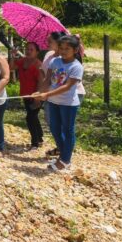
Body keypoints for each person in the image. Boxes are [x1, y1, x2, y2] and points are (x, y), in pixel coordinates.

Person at [32, 35, 84, 172]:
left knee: (68, 130)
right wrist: (39, 93)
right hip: (53, 101)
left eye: (67, 49)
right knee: (55, 129)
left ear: (75, 50)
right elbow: (48, 80)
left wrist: (47, 94)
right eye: (61, 48)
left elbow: (67, 87)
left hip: (68, 104)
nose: (63, 51)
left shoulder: (77, 66)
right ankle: (63, 154)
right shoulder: (54, 61)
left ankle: (65, 160)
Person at [14, 42, 44, 150]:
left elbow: (41, 82)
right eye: (27, 49)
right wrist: (14, 55)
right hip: (25, 95)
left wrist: (38, 98)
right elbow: (11, 67)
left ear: (37, 52)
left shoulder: (38, 65)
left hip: (35, 95)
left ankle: (35, 143)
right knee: (33, 116)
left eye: (31, 49)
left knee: (30, 118)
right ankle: (40, 137)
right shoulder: (22, 61)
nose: (28, 51)